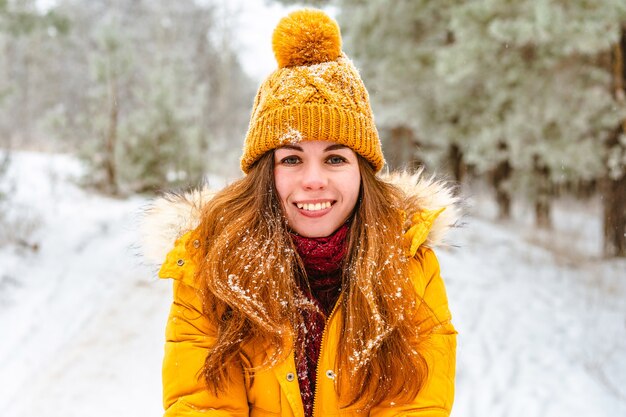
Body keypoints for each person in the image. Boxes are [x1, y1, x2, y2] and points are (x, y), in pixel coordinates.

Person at [143, 8, 459, 417]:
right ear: (264, 173)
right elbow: (200, 404)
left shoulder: (409, 263)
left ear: (361, 170)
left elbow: (419, 404)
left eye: (335, 159)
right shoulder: (208, 266)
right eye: (291, 160)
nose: (313, 180)